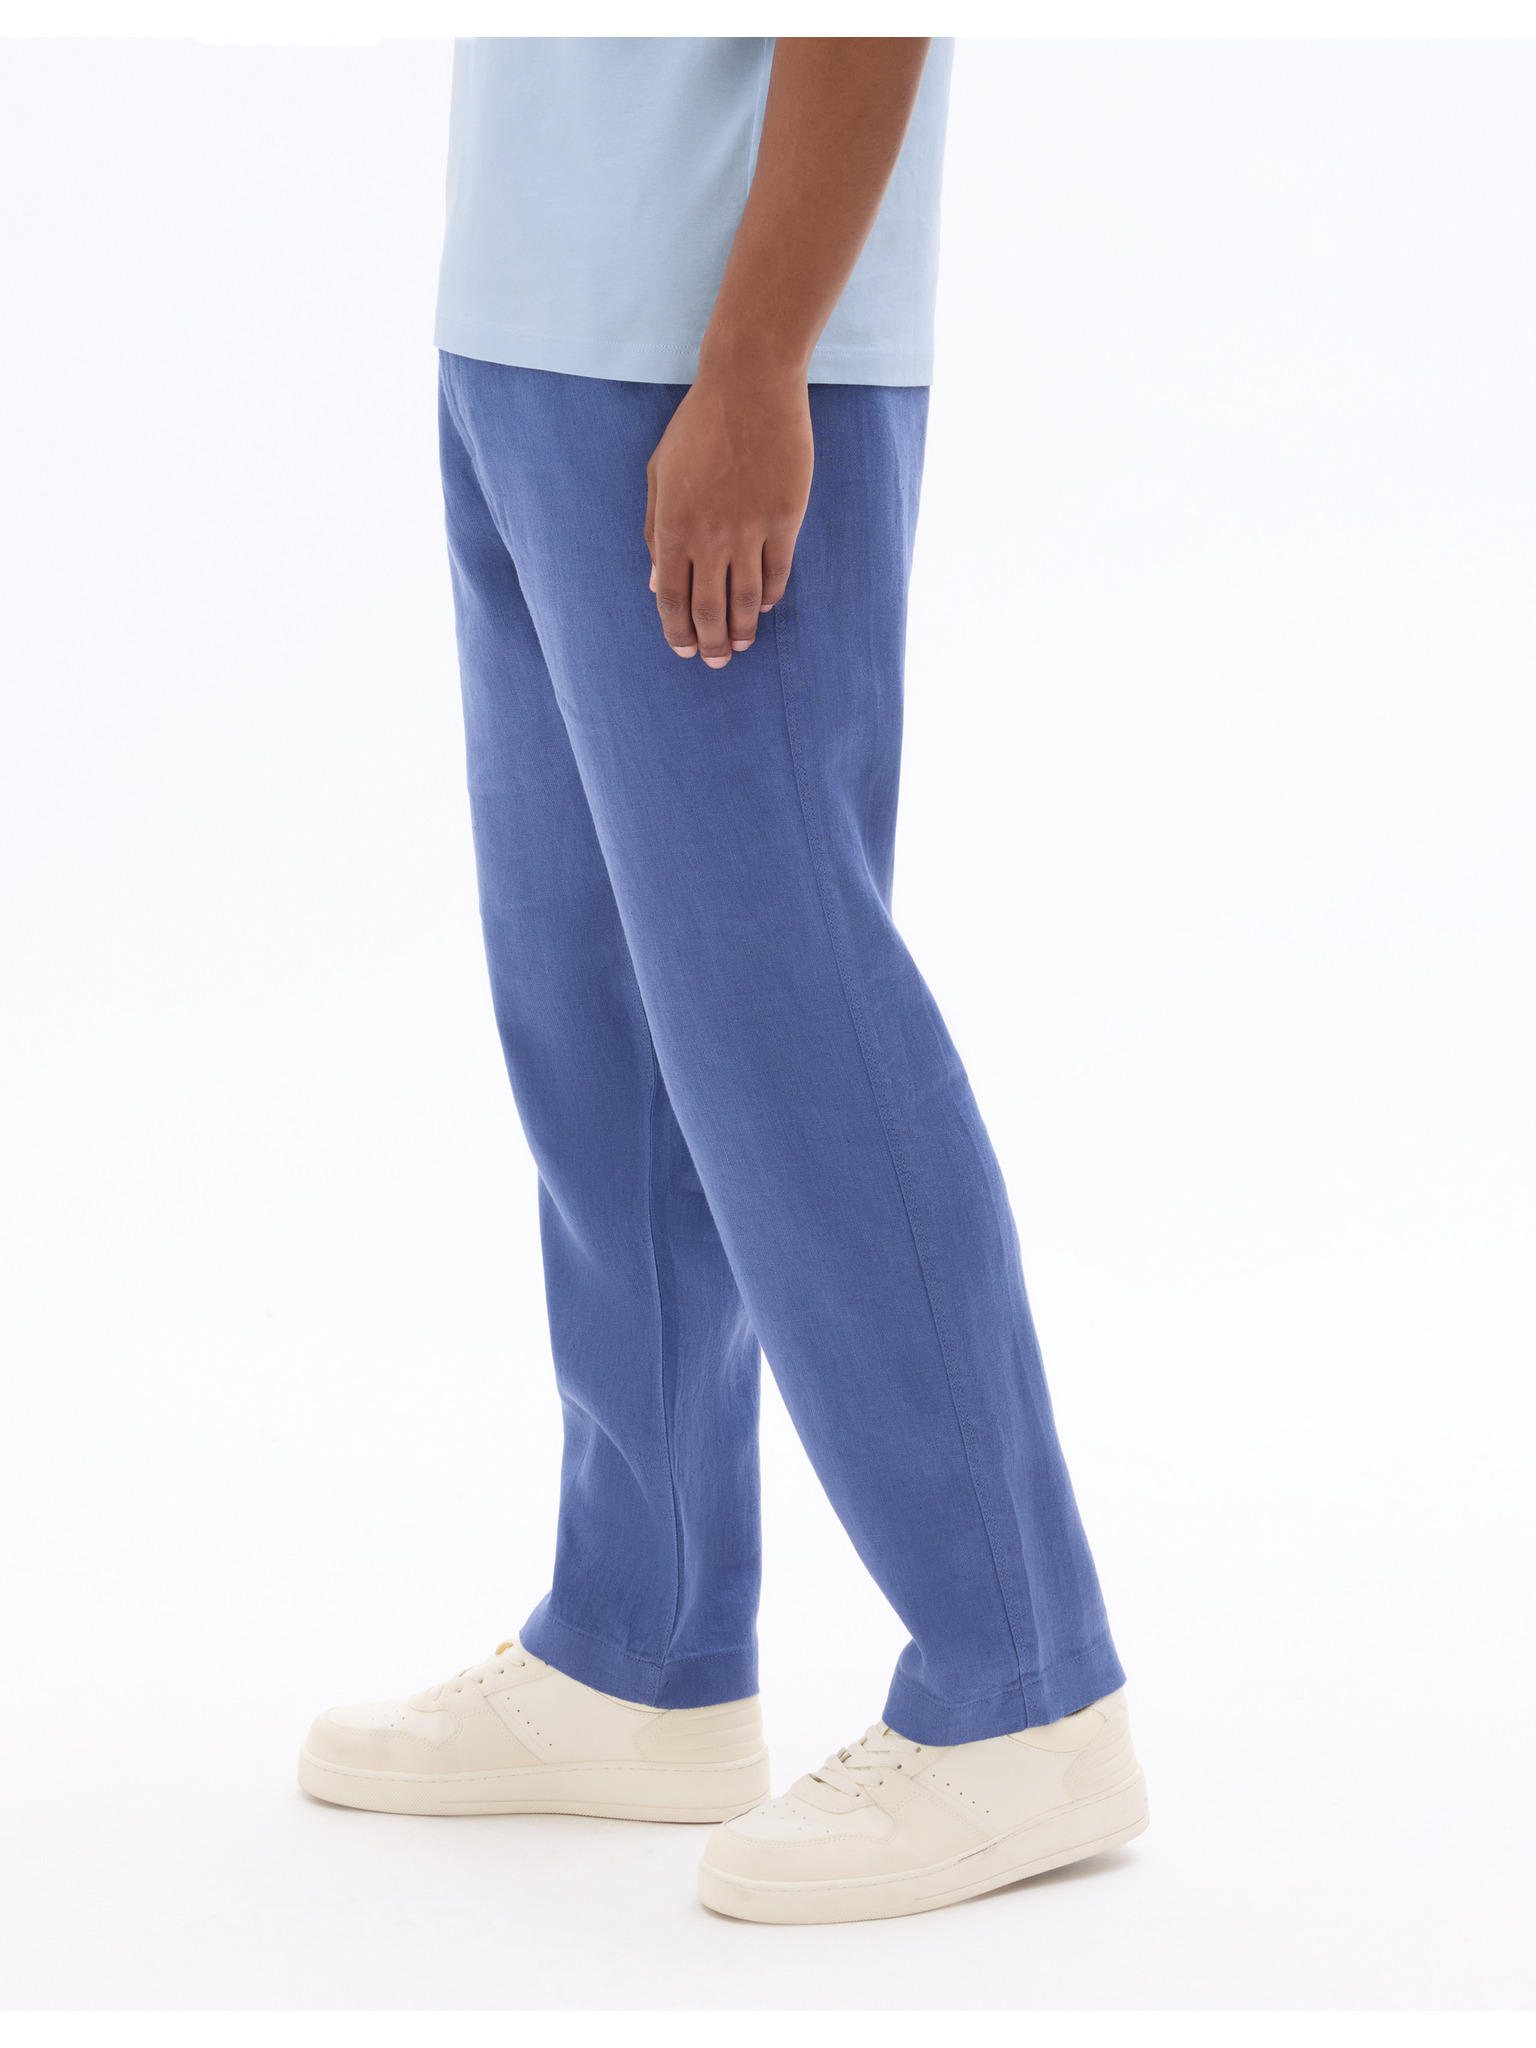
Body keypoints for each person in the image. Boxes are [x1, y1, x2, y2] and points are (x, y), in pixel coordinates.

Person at [299, 34, 1147, 1926]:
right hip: (524, 333)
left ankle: (1023, 1681)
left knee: (794, 1031)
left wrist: (757, 363)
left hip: (716, 361)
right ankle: (643, 1640)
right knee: (594, 1034)